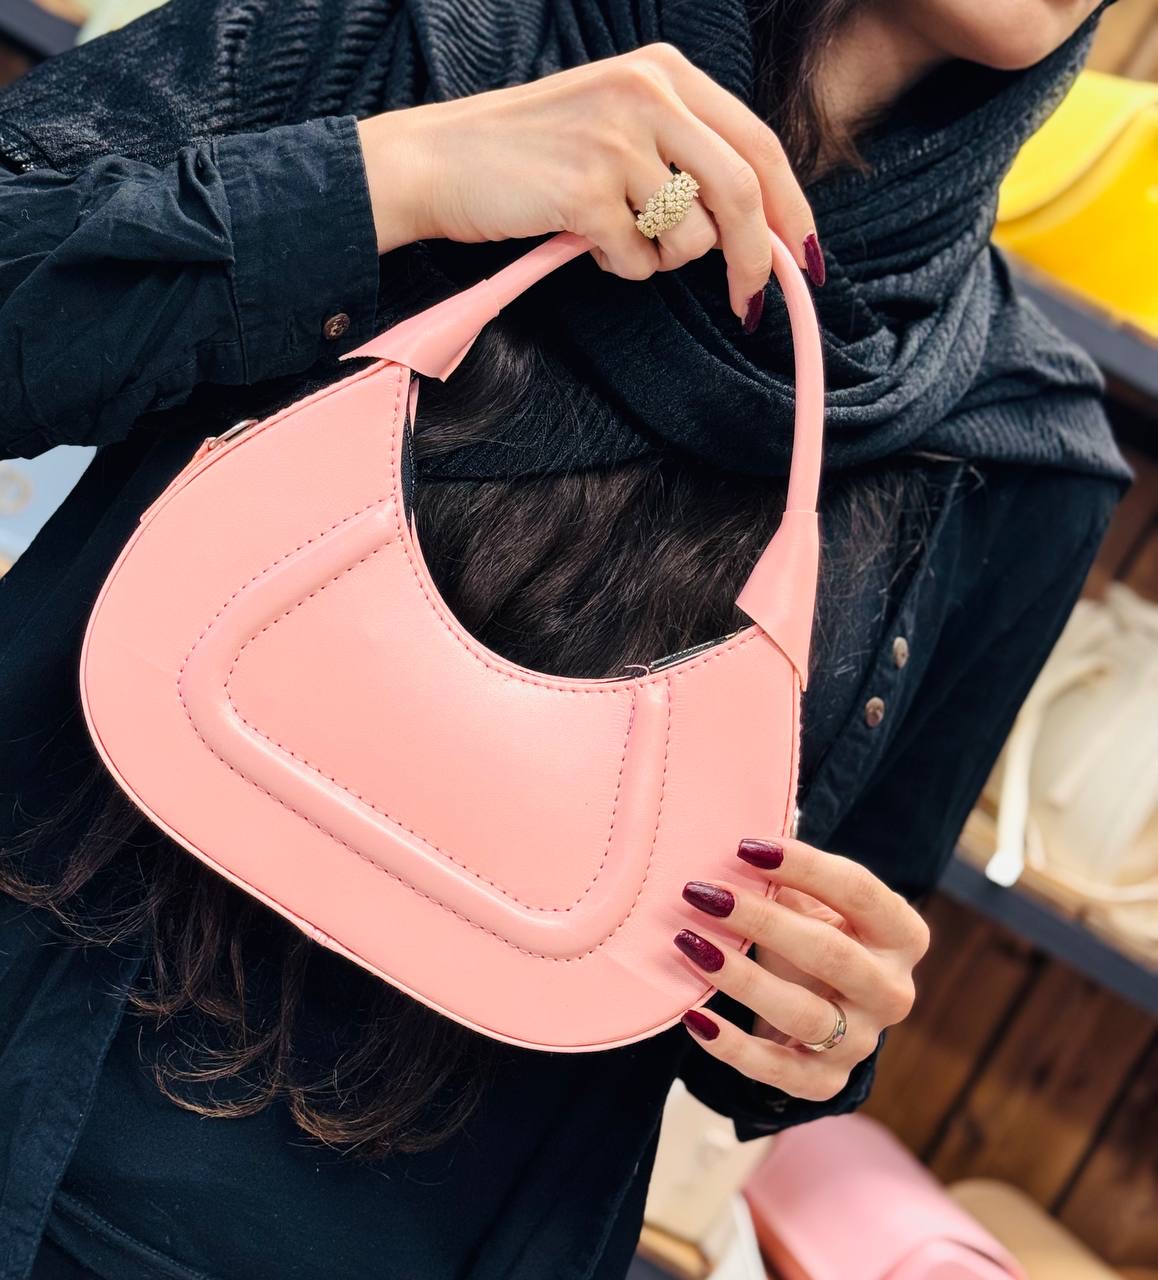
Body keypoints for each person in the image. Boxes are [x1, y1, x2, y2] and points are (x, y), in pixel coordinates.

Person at [0, 1, 1130, 1277]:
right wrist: (405, 173)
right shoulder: (412, 40)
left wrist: (818, 1025)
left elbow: (787, 976)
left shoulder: (1018, 446)